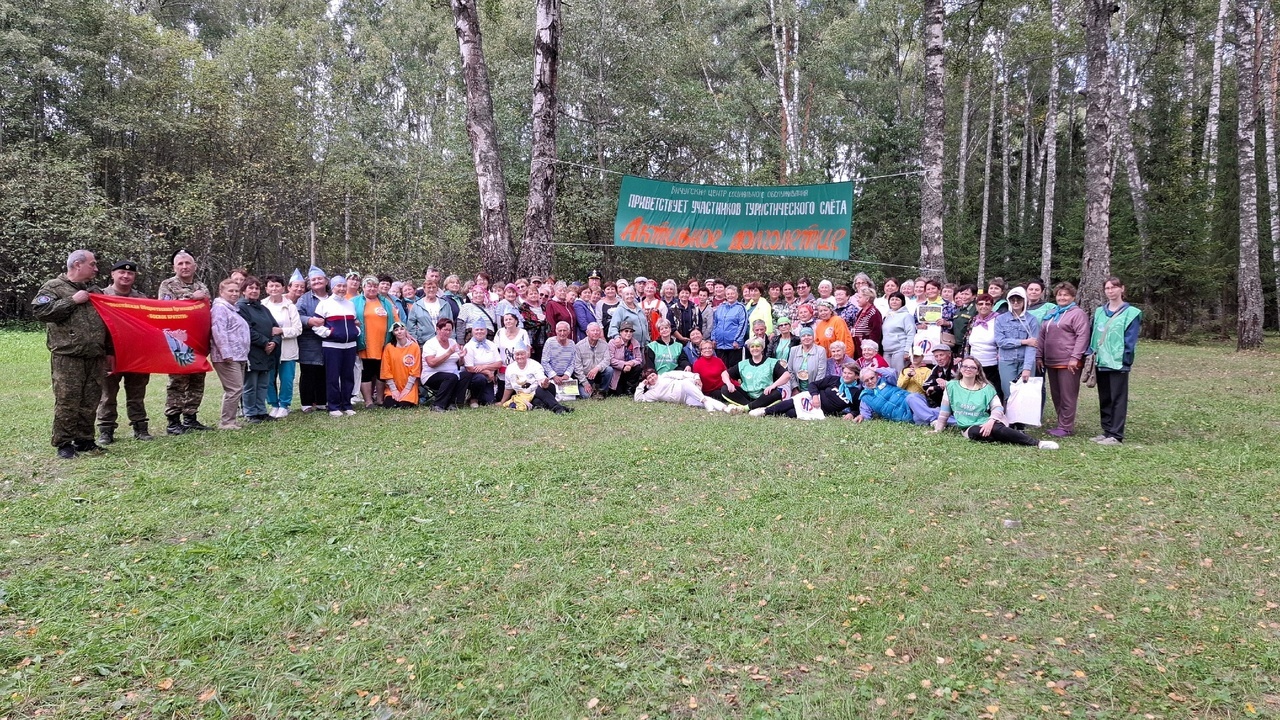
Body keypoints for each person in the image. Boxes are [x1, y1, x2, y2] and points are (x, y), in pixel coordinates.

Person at [33, 250, 111, 458]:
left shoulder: (96, 290)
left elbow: (109, 323)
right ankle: (64, 443)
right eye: (92, 264)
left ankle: (85, 440)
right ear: (77, 264)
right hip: (68, 356)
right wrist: (72, 301)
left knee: (91, 399)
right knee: (68, 399)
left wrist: (109, 351)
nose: (96, 269)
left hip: (94, 355)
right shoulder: (53, 287)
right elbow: (41, 311)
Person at [933, 359, 1059, 449]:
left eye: (972, 367)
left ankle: (1037, 443)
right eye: (965, 366)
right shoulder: (951, 386)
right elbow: (945, 410)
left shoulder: (987, 388)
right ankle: (1006, 435)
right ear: (960, 369)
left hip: (989, 422)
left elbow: (997, 407)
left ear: (978, 371)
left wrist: (991, 421)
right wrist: (938, 429)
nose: (968, 369)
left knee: (995, 429)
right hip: (969, 427)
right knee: (978, 432)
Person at [96, 259, 152, 444]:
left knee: (137, 393)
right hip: (109, 354)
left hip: (136, 355)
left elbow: (149, 326)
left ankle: (140, 428)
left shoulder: (141, 299)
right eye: (121, 272)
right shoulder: (101, 296)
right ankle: (106, 430)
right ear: (112, 274)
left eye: (130, 273)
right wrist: (105, 352)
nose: (126, 276)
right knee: (107, 394)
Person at [157, 250, 212, 434]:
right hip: (177, 340)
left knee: (197, 379)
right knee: (178, 381)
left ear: (194, 266)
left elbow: (208, 307)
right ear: (174, 267)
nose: (184, 267)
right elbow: (165, 309)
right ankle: (173, 421)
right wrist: (191, 298)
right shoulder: (168, 285)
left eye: (188, 263)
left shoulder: (201, 286)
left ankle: (191, 417)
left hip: (198, 339)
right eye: (180, 264)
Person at [1090, 277, 1142, 445]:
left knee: (1118, 398)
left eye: (1114, 287)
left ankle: (1116, 434)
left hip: (1118, 362)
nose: (1110, 291)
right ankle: (1106, 430)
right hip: (1101, 360)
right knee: (1105, 397)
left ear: (1122, 289)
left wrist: (1125, 359)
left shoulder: (1131, 313)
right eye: (1107, 288)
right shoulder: (1099, 311)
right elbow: (1093, 334)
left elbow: (1130, 338)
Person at [1038, 281, 1091, 437]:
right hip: (1051, 360)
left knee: (1068, 394)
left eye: (1066, 295)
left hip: (1068, 361)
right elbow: (1042, 335)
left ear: (1072, 297)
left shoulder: (1077, 313)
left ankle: (1066, 427)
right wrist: (1039, 355)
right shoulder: (1052, 313)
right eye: (1059, 294)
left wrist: (1075, 357)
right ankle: (1061, 422)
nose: (1062, 297)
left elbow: (1082, 336)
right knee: (1056, 394)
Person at [235, 276, 281, 424]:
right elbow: (246, 330)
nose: (254, 291)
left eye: (257, 288)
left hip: (267, 353)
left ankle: (261, 411)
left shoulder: (263, 308)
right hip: (251, 352)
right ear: (243, 290)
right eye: (251, 288)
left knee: (263, 384)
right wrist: (265, 342)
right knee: (250, 384)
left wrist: (274, 342)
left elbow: (276, 328)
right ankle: (250, 413)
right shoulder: (240, 307)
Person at [313, 275, 360, 416]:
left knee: (348, 376)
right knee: (333, 377)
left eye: (343, 286)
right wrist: (329, 333)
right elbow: (316, 326)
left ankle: (347, 404)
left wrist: (356, 331)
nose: (341, 289)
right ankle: (333, 406)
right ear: (332, 288)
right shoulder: (324, 304)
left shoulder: (350, 304)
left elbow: (355, 322)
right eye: (338, 286)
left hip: (350, 345)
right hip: (332, 346)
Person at [209, 278, 250, 430]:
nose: (234, 294)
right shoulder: (220, 308)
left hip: (239, 355)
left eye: (236, 291)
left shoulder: (232, 309)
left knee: (236, 388)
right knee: (234, 388)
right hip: (227, 356)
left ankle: (230, 419)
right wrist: (225, 353)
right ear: (221, 292)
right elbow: (218, 331)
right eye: (230, 291)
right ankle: (226, 422)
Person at [354, 276, 399, 407]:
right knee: (366, 372)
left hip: (384, 343)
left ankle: (379, 399)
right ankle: (368, 401)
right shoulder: (355, 302)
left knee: (381, 372)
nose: (372, 288)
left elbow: (396, 320)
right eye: (369, 286)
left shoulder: (385, 302)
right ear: (363, 287)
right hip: (365, 344)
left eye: (375, 286)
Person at [263, 274, 303, 417]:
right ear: (266, 289)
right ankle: (273, 404)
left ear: (283, 288)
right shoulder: (262, 305)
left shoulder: (290, 306)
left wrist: (281, 331)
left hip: (287, 348)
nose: (274, 288)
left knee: (286, 379)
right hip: (268, 348)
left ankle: (284, 405)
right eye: (271, 286)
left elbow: (298, 329)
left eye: (277, 285)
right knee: (268, 378)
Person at [763, 362, 862, 419]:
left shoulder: (856, 392)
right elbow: (813, 384)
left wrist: (851, 414)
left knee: (791, 413)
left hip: (821, 410)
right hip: (812, 397)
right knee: (791, 402)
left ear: (856, 376)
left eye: (850, 374)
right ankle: (765, 412)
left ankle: (777, 413)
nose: (845, 376)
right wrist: (815, 397)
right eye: (844, 372)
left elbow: (857, 409)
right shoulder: (834, 379)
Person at [994, 286, 1041, 405]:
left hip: (1025, 360)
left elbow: (1033, 345)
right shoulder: (1000, 319)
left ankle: (1021, 422)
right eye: (1012, 300)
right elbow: (1000, 342)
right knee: (1009, 391)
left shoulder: (1032, 320)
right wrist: (1023, 341)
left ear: (1024, 301)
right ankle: (1009, 420)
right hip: (1007, 361)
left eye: (1019, 300)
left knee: (1024, 391)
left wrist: (1027, 368)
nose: (1015, 302)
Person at [853, 366, 944, 426]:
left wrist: (876, 369)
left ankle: (933, 419)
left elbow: (892, 373)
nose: (870, 382)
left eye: (872, 378)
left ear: (876, 375)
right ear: (863, 382)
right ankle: (951, 421)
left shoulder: (886, 380)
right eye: (866, 380)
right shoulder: (865, 397)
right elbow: (865, 414)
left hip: (912, 402)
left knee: (911, 398)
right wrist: (861, 416)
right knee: (922, 418)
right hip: (907, 417)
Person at [294, 266, 330, 413]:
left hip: (329, 340)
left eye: (319, 279)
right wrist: (310, 320)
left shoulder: (333, 296)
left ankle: (322, 401)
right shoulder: (304, 299)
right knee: (308, 372)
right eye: (313, 280)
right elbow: (297, 316)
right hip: (309, 341)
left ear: (326, 281)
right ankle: (307, 403)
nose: (317, 282)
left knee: (324, 371)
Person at [501, 343, 574, 414]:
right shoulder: (510, 368)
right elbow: (508, 388)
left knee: (539, 390)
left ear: (527, 354)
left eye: (522, 354)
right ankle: (561, 408)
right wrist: (502, 402)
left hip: (544, 391)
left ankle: (557, 408)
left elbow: (541, 379)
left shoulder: (535, 365)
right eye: (517, 354)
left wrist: (544, 384)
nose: (520, 357)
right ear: (514, 356)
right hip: (527, 397)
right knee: (537, 403)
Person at [421, 318, 472, 411]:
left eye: (450, 330)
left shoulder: (452, 342)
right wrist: (449, 352)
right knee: (451, 377)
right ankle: (438, 405)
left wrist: (461, 357)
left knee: (466, 375)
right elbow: (432, 363)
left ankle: (453, 403)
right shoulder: (430, 344)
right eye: (445, 330)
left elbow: (460, 364)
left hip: (453, 373)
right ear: (438, 329)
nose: (448, 332)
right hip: (432, 375)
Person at [633, 367, 731, 413]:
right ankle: (726, 409)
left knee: (684, 383)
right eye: (649, 378)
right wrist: (641, 385)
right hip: (684, 399)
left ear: (656, 374)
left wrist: (695, 376)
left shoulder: (664, 376)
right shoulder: (651, 393)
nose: (652, 378)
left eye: (653, 375)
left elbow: (680, 374)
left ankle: (706, 402)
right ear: (647, 382)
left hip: (687, 387)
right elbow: (638, 399)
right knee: (703, 400)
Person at [735, 337, 792, 414]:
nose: (755, 348)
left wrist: (773, 386)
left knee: (777, 393)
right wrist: (729, 383)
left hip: (765, 395)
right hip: (747, 395)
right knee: (725, 388)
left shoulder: (772, 362)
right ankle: (755, 406)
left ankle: (746, 407)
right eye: (752, 346)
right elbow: (725, 374)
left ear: (762, 348)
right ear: (749, 349)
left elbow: (787, 375)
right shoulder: (743, 364)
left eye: (758, 346)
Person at [964, 293, 1001, 400]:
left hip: (993, 365)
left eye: (987, 304)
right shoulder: (973, 320)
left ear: (992, 306)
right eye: (980, 304)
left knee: (993, 393)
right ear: (976, 306)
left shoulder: (998, 320)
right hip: (974, 365)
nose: (984, 306)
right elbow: (966, 343)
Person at [380, 322, 421, 408]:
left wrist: (407, 389)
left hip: (409, 386)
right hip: (393, 386)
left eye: (402, 329)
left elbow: (415, 370)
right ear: (393, 333)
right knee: (391, 405)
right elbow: (386, 370)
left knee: (404, 405)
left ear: (406, 331)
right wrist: (394, 390)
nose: (399, 332)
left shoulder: (414, 347)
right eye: (396, 330)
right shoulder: (388, 348)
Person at [462, 320, 502, 406]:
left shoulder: (492, 344)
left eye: (482, 329)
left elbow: (499, 363)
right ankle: (473, 398)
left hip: (489, 377)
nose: (479, 332)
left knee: (489, 402)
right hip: (475, 377)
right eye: (477, 330)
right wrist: (487, 372)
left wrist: (484, 367)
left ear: (486, 331)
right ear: (472, 331)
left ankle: (480, 395)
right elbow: (469, 368)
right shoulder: (468, 346)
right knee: (480, 378)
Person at [574, 322, 614, 399]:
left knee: (609, 370)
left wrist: (597, 368)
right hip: (585, 376)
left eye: (597, 330)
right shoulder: (579, 346)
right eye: (593, 330)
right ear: (587, 333)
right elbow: (577, 368)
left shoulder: (604, 344)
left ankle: (602, 391)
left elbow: (607, 360)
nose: (595, 333)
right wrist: (585, 383)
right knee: (586, 396)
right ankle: (591, 391)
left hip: (598, 373)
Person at [542, 321, 580, 399]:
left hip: (565, 377)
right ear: (556, 331)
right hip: (552, 377)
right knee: (555, 396)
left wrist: (567, 374)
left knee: (570, 398)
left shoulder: (572, 344)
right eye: (560, 330)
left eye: (564, 330)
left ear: (569, 331)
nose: (562, 333)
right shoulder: (550, 342)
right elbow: (544, 361)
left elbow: (573, 362)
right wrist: (554, 376)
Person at [880, 291, 915, 376]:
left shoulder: (906, 316)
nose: (894, 301)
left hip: (899, 350)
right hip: (887, 351)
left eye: (897, 299)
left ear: (902, 302)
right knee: (887, 375)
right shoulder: (887, 315)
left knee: (899, 375)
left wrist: (907, 351)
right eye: (892, 299)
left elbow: (911, 333)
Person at [711, 284, 747, 366]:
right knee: (721, 368)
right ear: (725, 295)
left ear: (737, 295)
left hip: (733, 345)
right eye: (728, 294)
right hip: (720, 345)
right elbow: (715, 323)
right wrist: (713, 338)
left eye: (732, 293)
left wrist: (737, 340)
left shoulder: (741, 308)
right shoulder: (721, 307)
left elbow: (743, 324)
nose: (730, 296)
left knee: (732, 370)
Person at [785, 326, 827, 395]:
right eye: (803, 336)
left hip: (815, 389)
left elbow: (821, 373)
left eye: (809, 335)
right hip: (797, 390)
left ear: (813, 337)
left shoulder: (820, 350)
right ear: (800, 338)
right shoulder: (793, 350)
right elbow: (790, 370)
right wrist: (794, 388)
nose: (806, 338)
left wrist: (814, 391)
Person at [609, 322, 645, 396]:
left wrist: (631, 363)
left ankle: (630, 388)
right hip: (617, 371)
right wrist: (624, 364)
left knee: (638, 368)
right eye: (626, 331)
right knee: (617, 393)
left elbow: (639, 359)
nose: (628, 333)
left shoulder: (635, 343)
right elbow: (610, 360)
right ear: (620, 332)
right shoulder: (612, 343)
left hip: (630, 369)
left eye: (631, 331)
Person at [848, 287, 883, 357]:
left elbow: (875, 335)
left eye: (860, 297)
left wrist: (870, 350)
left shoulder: (874, 313)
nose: (857, 300)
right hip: (858, 349)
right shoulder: (861, 311)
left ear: (867, 299)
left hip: (868, 352)